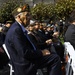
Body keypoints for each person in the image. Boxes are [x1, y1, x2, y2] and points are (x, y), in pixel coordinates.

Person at [4, 4, 61, 75]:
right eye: (27, 15)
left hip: (29, 60)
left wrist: (42, 49)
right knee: (55, 59)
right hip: (25, 64)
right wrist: (41, 53)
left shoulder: (18, 28)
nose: (30, 17)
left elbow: (30, 46)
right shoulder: (16, 30)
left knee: (53, 55)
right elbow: (24, 52)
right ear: (19, 17)